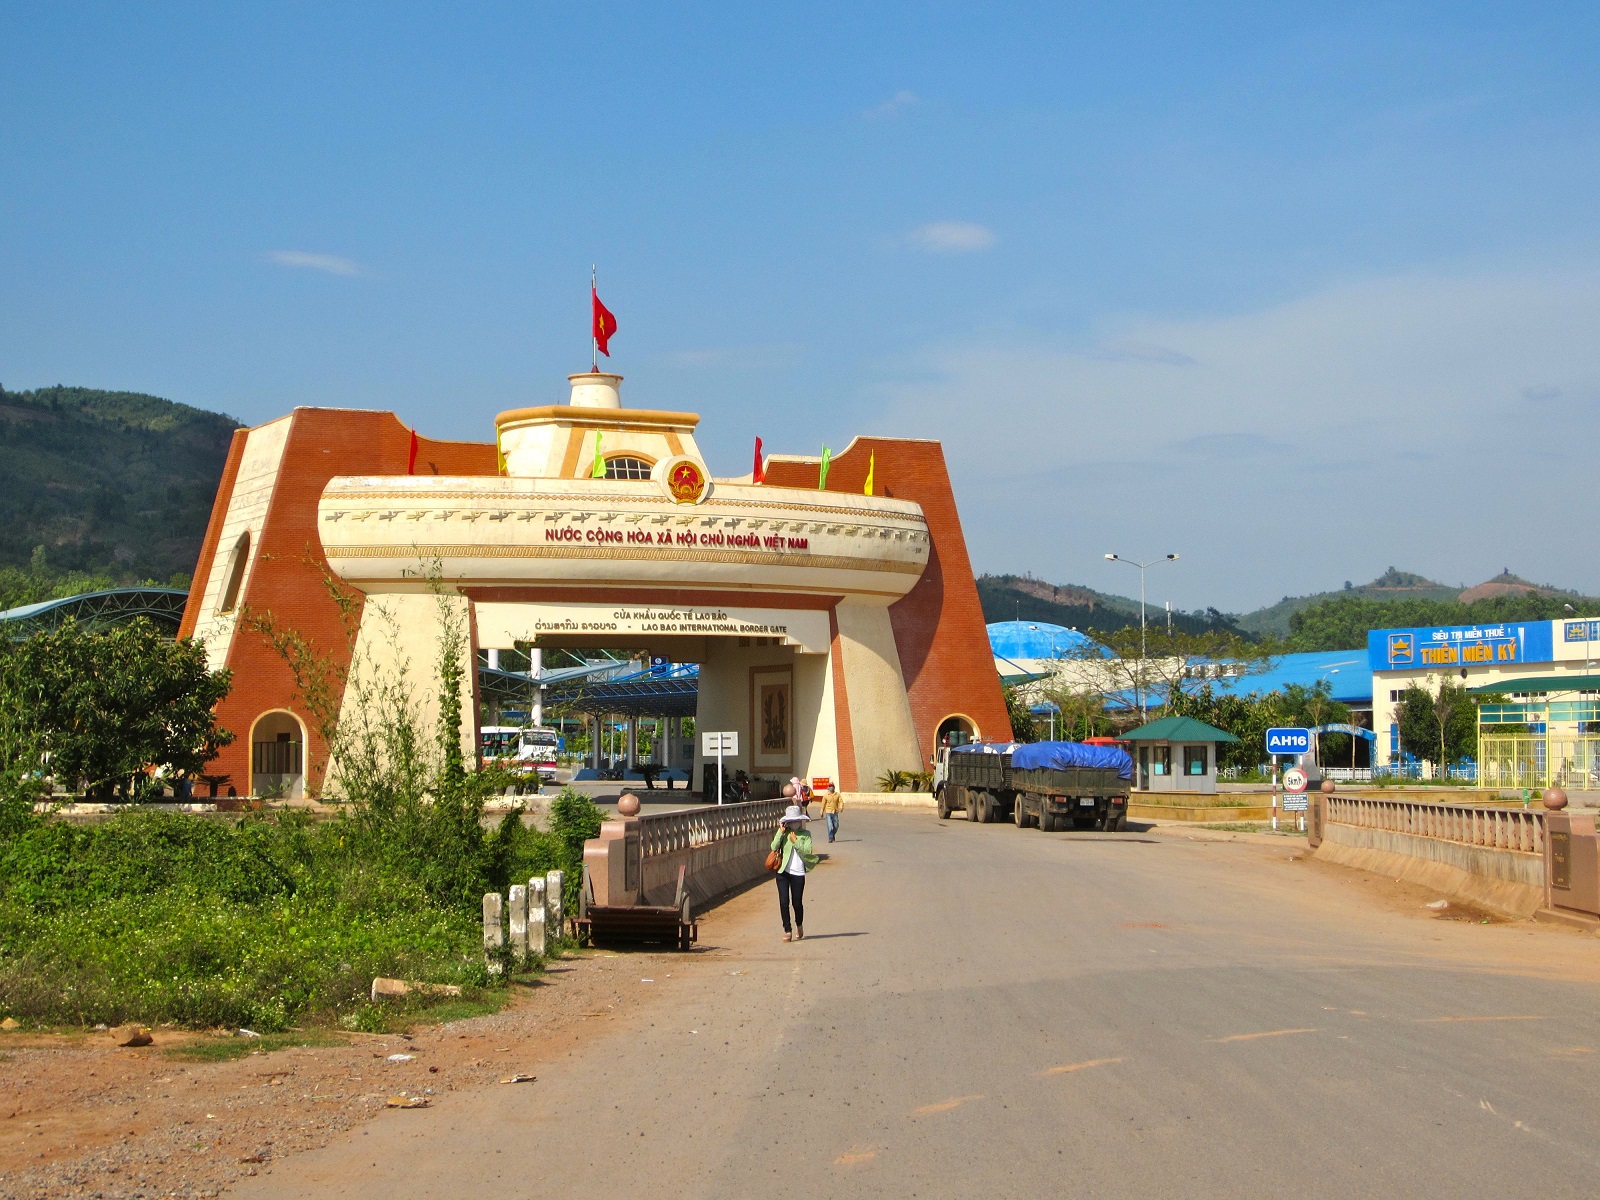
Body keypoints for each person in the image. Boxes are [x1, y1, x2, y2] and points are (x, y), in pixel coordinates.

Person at [770, 804, 818, 941]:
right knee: (783, 901)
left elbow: (807, 852)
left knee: (796, 902)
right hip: (782, 872)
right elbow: (773, 847)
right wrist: (781, 832)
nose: (794, 823)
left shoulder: (806, 835)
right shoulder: (784, 833)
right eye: (791, 821)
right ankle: (787, 930)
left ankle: (799, 924)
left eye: (796, 820)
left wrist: (795, 842)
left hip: (798, 873)